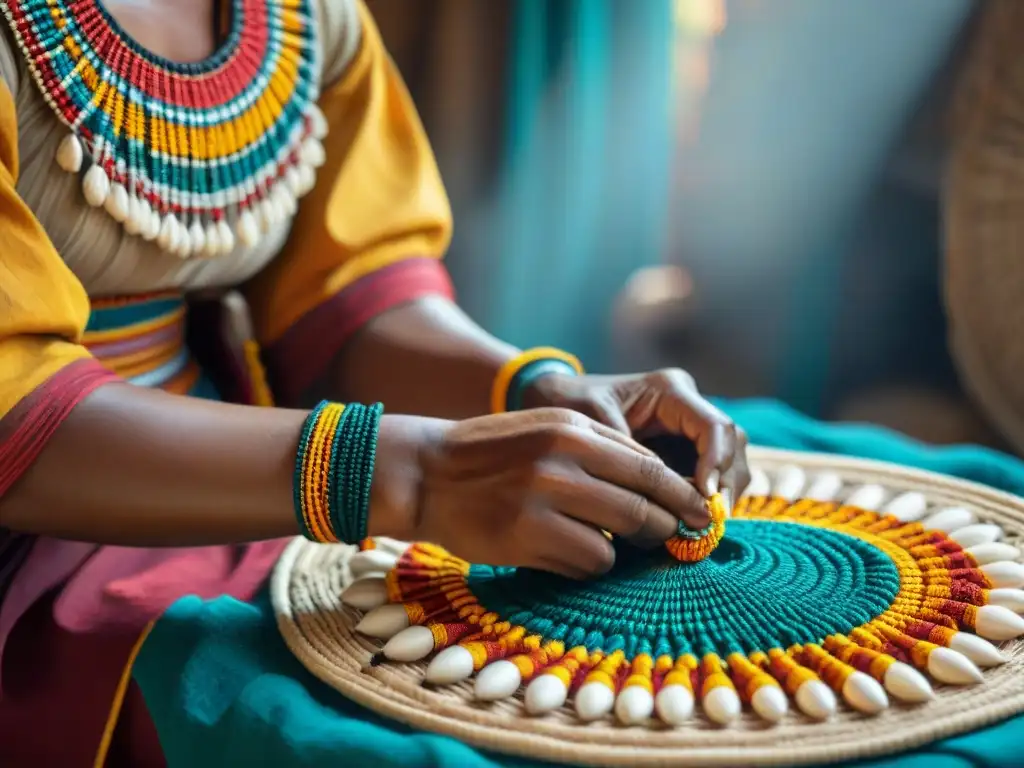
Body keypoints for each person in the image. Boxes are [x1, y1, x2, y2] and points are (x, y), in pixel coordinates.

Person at [0, 0, 750, 763]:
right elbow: (17, 417)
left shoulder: (305, 16)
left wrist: (532, 388)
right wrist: (419, 475)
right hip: (52, 530)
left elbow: (346, 299)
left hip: (256, 465)